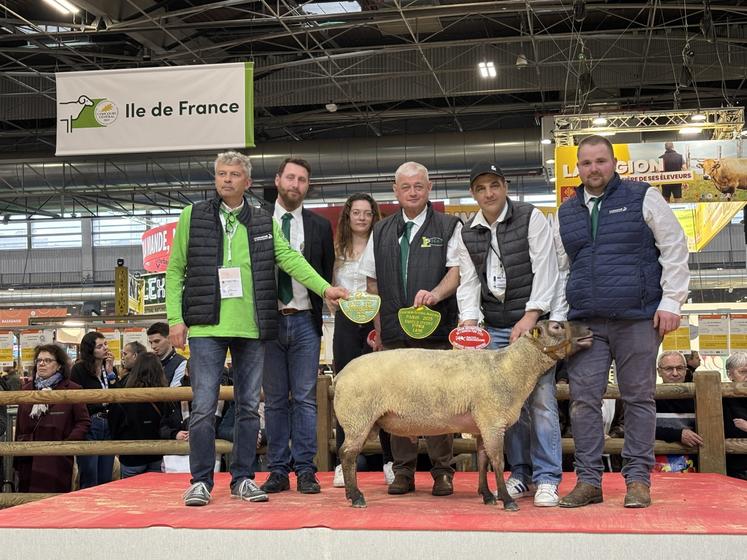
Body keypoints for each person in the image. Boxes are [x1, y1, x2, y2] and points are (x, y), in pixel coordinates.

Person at [165, 150, 346, 507]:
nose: (227, 179)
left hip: (252, 327)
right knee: (202, 407)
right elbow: (175, 270)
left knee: (249, 407)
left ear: (247, 182)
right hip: (205, 326)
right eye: (221, 173)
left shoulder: (264, 219)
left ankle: (243, 478)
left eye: (234, 174)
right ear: (215, 178)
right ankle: (200, 480)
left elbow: (290, 258)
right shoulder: (193, 216)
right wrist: (175, 318)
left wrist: (324, 287)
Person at [554, 135, 689, 509]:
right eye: (586, 163)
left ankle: (638, 481)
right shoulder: (566, 212)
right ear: (577, 167)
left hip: (637, 318)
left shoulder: (643, 196)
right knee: (582, 402)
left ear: (614, 163)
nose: (593, 169)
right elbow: (562, 270)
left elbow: (674, 246)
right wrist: (560, 320)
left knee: (638, 400)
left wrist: (672, 300)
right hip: (585, 323)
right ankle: (588, 481)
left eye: (600, 161)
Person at [456, 162, 562, 506]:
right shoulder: (466, 230)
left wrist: (531, 316)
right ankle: (519, 473)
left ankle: (548, 477)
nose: (488, 193)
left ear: (505, 186)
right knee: (504, 407)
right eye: (481, 188)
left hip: (533, 327)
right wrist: (469, 323)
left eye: (494, 185)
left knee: (542, 400)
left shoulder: (531, 217)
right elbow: (469, 282)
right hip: (495, 327)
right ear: (474, 194)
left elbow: (547, 268)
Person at [360, 161, 461, 497]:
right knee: (398, 405)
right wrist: (378, 332)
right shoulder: (381, 230)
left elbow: (456, 272)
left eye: (419, 186)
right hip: (393, 335)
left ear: (429, 188)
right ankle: (402, 472)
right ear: (395, 190)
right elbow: (372, 284)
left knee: (439, 404)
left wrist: (436, 294)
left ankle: (442, 472)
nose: (413, 192)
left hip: (435, 332)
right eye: (406, 187)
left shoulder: (448, 226)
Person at [261, 157, 336, 496]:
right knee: (275, 400)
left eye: (302, 180)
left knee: (305, 399)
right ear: (278, 180)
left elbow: (324, 271)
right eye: (289, 177)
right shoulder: (258, 220)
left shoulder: (320, 226)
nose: (295, 184)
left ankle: (306, 470)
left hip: (306, 319)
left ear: (308, 186)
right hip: (267, 321)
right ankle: (277, 470)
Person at [329, 193, 394, 488]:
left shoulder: (382, 246)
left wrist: (381, 329)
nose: (362, 218)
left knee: (385, 390)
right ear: (347, 216)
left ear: (374, 217)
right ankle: (345, 463)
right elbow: (326, 285)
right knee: (346, 389)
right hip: (345, 321)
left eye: (368, 213)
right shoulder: (336, 248)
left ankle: (390, 461)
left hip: (376, 319)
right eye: (357, 212)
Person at [14, 344, 90, 493]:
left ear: (59, 366)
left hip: (56, 461)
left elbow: (83, 422)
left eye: (48, 360)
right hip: (28, 458)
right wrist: (17, 457)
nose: (42, 363)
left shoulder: (72, 389)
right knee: (27, 506)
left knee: (54, 505)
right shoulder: (26, 390)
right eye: (39, 360)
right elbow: (19, 423)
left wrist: (66, 445)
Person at [108, 352, 168, 478]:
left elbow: (115, 422)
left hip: (131, 455)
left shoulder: (126, 392)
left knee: (131, 492)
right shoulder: (165, 394)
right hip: (156, 453)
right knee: (154, 490)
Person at [71, 331, 117, 489]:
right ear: (90, 350)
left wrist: (111, 373)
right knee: (90, 474)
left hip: (109, 422)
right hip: (91, 423)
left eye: (105, 344)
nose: (105, 348)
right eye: (100, 346)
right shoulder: (79, 369)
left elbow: (117, 395)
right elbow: (76, 400)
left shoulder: (109, 369)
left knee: (106, 476)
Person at [654, 351, 701, 473]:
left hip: (694, 465)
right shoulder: (649, 397)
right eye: (669, 369)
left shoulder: (698, 397)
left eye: (679, 368)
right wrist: (677, 434)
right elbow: (638, 428)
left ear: (686, 370)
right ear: (659, 371)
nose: (675, 373)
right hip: (654, 465)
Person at [724, 352, 747, 480]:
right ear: (729, 374)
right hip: (735, 468)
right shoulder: (723, 397)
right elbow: (730, 430)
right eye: (743, 372)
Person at [147, 322, 187, 387]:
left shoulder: (182, 363)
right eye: (150, 342)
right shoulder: (149, 362)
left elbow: (174, 393)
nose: (153, 346)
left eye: (157, 341)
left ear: (169, 338)